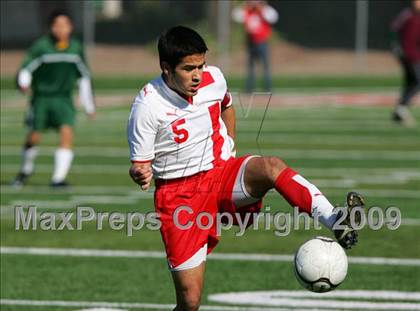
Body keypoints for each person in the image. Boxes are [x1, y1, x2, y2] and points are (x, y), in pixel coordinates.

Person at [127, 26, 364, 311]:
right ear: (166, 68)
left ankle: (335, 218)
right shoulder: (147, 106)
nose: (198, 75)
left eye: (201, 65)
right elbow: (139, 165)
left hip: (220, 173)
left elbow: (226, 105)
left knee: (271, 167)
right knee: (189, 302)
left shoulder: (213, 79)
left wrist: (230, 145)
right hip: (180, 198)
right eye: (189, 69)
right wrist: (141, 173)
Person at [11, 10, 95, 187]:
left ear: (71, 27)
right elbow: (26, 68)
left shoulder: (76, 48)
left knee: (66, 134)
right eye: (57, 25)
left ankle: (58, 179)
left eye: (65, 25)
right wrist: (23, 82)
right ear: (51, 27)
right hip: (41, 99)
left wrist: (89, 106)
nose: (61, 29)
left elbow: (84, 77)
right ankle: (26, 169)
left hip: (64, 100)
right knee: (33, 137)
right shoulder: (41, 47)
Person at [232, 0, 278, 92]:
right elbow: (235, 16)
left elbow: (273, 17)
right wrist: (245, 5)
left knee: (265, 66)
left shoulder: (264, 11)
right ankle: (249, 88)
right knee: (250, 66)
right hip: (250, 42)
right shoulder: (247, 11)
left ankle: (267, 88)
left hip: (262, 42)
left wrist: (262, 8)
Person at [391, 0, 420, 126]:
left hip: (410, 53)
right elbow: (394, 28)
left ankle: (399, 110)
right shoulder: (409, 16)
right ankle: (401, 108)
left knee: (411, 82)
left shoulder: (409, 15)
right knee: (416, 82)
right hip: (410, 54)